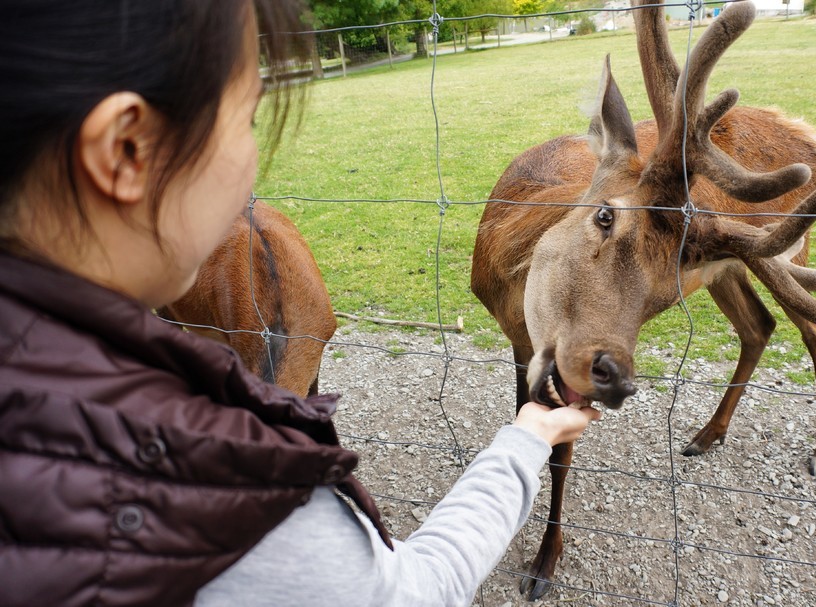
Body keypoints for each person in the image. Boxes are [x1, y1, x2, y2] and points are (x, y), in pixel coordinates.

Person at [0, 1, 601, 606]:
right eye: (247, 119)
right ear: (128, 151)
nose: (251, 160)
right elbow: (415, 591)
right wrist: (526, 440)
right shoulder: (233, 509)